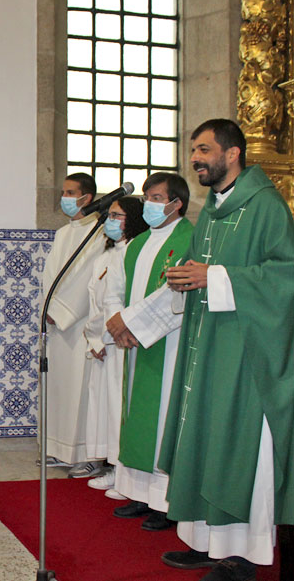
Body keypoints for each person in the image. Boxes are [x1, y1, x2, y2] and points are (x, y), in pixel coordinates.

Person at [113, 119, 294, 581]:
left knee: (235, 447)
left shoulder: (266, 207)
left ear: (232, 154)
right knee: (205, 442)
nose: (195, 158)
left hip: (244, 355)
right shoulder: (212, 212)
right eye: (193, 150)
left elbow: (284, 277)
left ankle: (242, 556)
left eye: (204, 149)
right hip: (205, 348)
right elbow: (190, 275)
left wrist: (213, 276)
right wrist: (137, 321)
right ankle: (208, 541)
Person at [104, 173, 193, 532]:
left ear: (177, 203)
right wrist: (116, 321)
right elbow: (115, 286)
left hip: (169, 344)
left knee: (162, 419)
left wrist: (130, 325)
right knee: (136, 416)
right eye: (147, 198)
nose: (149, 205)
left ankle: (166, 502)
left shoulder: (190, 239)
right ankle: (140, 493)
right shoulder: (136, 244)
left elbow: (174, 293)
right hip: (134, 341)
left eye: (157, 198)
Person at [82, 196, 147, 497]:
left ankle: (125, 471)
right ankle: (113, 465)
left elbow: (122, 303)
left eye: (117, 215)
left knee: (120, 408)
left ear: (133, 219)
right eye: (109, 215)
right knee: (106, 408)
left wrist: (104, 336)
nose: (110, 220)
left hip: (121, 342)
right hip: (103, 341)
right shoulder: (104, 256)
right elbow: (97, 302)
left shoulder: (134, 253)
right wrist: (94, 338)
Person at [42, 172, 106, 477]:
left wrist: (62, 311)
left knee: (81, 389)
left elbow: (86, 281)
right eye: (63, 192)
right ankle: (57, 448)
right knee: (58, 388)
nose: (64, 198)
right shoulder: (63, 233)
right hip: (56, 324)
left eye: (71, 192)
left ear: (87, 198)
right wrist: (47, 309)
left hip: (79, 324)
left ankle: (85, 455)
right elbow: (50, 276)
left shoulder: (100, 232)